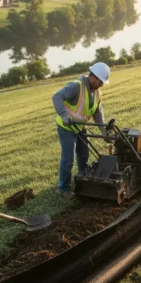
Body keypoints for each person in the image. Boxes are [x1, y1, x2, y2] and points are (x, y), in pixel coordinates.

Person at [52, 62, 111, 198]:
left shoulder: (97, 93)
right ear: (93, 77)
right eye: (100, 82)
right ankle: (63, 188)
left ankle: (82, 178)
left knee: (84, 154)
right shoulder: (76, 86)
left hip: (80, 127)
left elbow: (97, 113)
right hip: (66, 127)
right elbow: (57, 97)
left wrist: (104, 132)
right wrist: (64, 115)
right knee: (68, 159)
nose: (101, 85)